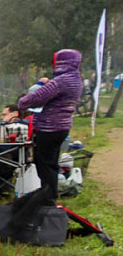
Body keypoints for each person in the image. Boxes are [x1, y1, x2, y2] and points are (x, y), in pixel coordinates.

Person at [18, 49, 84, 202]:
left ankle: (47, 198)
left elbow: (32, 100)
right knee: (52, 164)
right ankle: (50, 197)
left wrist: (35, 89)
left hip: (49, 127)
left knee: (44, 165)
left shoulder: (60, 81)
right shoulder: (76, 79)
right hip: (63, 127)